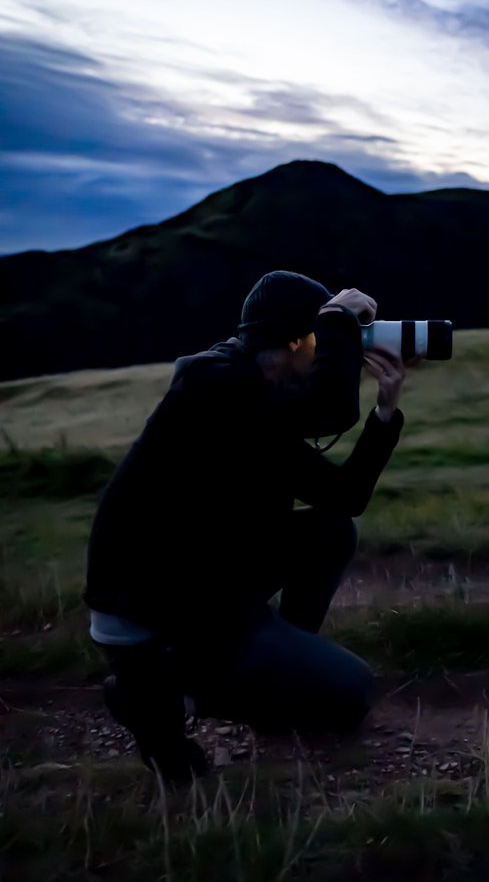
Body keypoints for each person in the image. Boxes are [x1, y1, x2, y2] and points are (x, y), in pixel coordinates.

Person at [83, 270, 411, 784]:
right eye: (317, 346)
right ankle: (158, 692)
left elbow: (345, 497)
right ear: (293, 342)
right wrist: (338, 321)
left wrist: (384, 412)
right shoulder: (213, 385)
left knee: (329, 530)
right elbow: (328, 408)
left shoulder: (256, 399)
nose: (324, 358)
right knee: (351, 693)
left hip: (207, 579)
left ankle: (267, 677)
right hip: (155, 611)